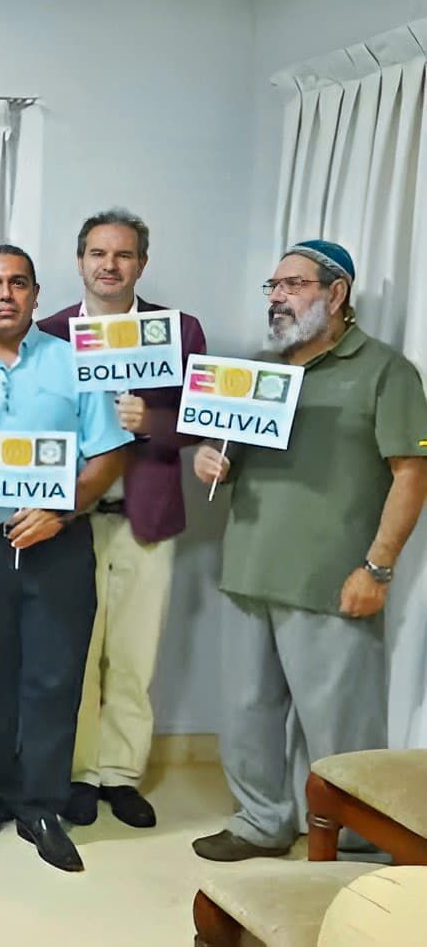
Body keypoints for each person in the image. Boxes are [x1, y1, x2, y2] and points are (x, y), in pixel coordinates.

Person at [191, 240, 427, 861]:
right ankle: (260, 821)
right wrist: (212, 459)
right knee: (246, 715)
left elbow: (412, 472)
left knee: (341, 728)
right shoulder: (257, 370)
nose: (277, 297)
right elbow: (230, 461)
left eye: (292, 284)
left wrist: (378, 567)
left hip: (332, 580)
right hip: (247, 569)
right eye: (272, 286)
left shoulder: (386, 371)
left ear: (337, 293)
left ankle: (358, 842)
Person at [0, 245, 131, 873]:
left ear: (35, 294)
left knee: (54, 679)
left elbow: (109, 454)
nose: (5, 294)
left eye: (18, 283)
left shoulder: (78, 364)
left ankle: (44, 804)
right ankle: (1, 787)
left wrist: (63, 509)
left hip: (57, 545)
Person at [36, 209, 208, 829]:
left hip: (147, 517)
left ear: (141, 263)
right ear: (80, 261)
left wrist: (152, 422)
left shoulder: (178, 330)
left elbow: (207, 416)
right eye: (98, 254)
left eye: (124, 255)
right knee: (77, 652)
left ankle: (122, 773)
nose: (110, 265)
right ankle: (81, 771)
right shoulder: (50, 333)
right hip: (73, 519)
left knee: (136, 655)